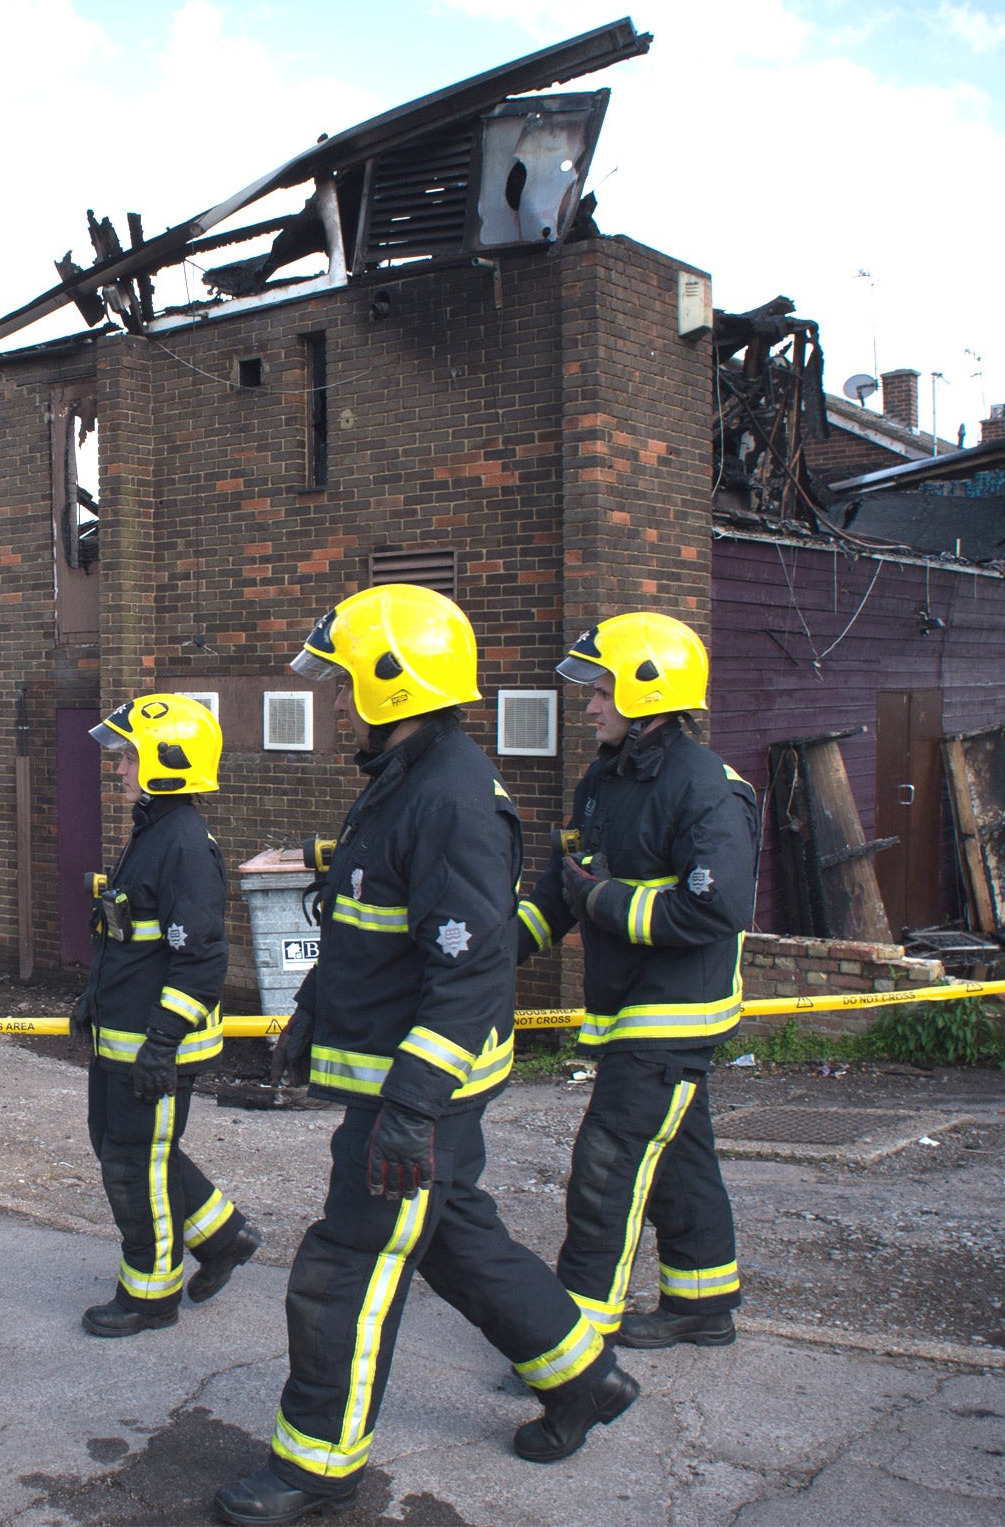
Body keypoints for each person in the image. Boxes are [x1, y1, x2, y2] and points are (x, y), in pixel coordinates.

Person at [215, 585, 637, 1527]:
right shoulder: (405, 780)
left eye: (342, 684)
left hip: (416, 1102)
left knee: (344, 1270)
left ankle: (318, 1468)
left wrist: (410, 1106)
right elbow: (371, 933)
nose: (331, 702)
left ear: (390, 686)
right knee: (457, 1242)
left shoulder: (449, 798)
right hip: (408, 1092)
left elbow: (471, 974)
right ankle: (585, 1380)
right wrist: (310, 1021)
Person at [514, 612, 757, 1351]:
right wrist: (497, 950)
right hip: (632, 1007)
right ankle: (702, 1300)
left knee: (608, 1163)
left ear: (650, 692)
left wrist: (605, 903)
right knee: (680, 1154)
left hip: (675, 1012)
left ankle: (574, 1340)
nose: (588, 704)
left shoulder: (708, 788)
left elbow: (714, 906)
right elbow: (567, 880)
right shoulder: (603, 780)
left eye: (603, 691)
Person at [73, 695, 261, 1338]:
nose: (119, 768)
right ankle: (224, 1237)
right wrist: (91, 1005)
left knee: (136, 1163)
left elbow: (200, 961)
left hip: (152, 1048)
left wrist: (160, 1043)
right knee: (119, 1146)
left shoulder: (182, 844)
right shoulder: (153, 831)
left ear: (166, 761)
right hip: (122, 1039)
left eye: (128, 757)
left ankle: (151, 1294)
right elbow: (131, 938)